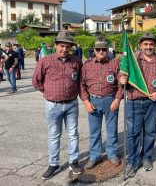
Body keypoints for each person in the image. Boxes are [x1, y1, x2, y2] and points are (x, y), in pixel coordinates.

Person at [32, 32, 84, 180]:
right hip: (52, 105)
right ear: (56, 45)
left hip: (71, 104)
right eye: (62, 46)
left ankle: (73, 162)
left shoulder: (76, 61)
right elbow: (36, 81)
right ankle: (53, 164)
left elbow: (80, 80)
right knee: (54, 135)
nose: (64, 49)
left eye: (68, 46)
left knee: (73, 134)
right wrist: (46, 92)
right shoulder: (45, 61)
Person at [121, 32, 156, 178]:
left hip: (152, 103)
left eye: (151, 44)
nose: (149, 47)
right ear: (140, 45)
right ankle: (132, 161)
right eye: (146, 44)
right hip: (134, 102)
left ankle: (146, 157)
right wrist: (121, 79)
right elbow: (122, 72)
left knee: (150, 132)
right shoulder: (133, 60)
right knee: (132, 134)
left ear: (154, 45)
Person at [80, 38, 124, 170]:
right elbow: (81, 85)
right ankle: (95, 156)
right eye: (98, 49)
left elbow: (121, 84)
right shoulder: (87, 65)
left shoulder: (115, 63)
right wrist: (86, 101)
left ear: (107, 50)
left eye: (103, 49)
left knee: (112, 131)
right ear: (94, 50)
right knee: (94, 132)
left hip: (110, 101)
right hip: (93, 101)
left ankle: (112, 154)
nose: (101, 52)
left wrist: (117, 99)